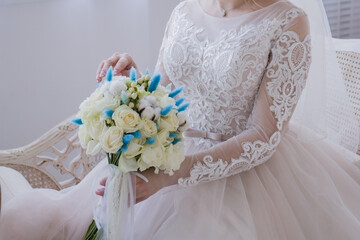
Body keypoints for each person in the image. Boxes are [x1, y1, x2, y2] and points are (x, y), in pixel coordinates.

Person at [1, 0, 360, 239]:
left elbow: (263, 136)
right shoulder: (186, 8)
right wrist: (134, 84)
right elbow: (170, 98)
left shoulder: (288, 22)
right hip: (168, 154)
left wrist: (171, 176)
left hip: (241, 172)